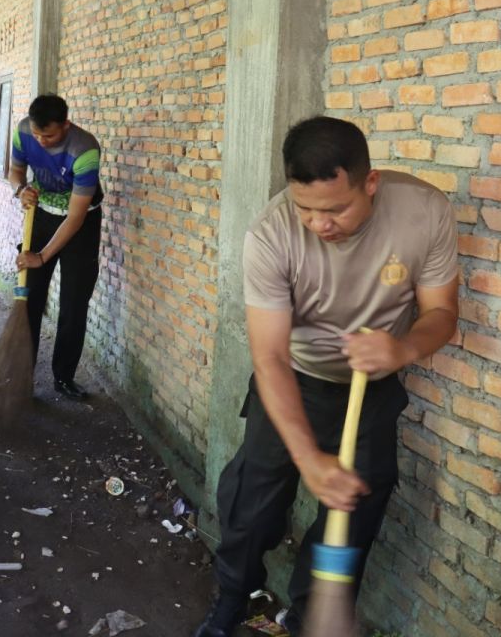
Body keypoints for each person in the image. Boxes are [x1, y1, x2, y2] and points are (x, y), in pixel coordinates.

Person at [193, 117, 459, 637]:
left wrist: (402, 348)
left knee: (353, 513)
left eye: (335, 208)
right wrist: (309, 459)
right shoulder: (270, 234)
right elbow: (268, 357)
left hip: (372, 390)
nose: (318, 224)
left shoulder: (424, 212)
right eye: (305, 209)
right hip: (293, 381)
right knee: (252, 507)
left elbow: (443, 314)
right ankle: (231, 600)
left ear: (371, 183)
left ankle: (312, 618)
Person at [9, 94, 103, 402]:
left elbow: (75, 217)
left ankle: (64, 377)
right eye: (37, 134)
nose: (41, 140)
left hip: (82, 224)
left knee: (74, 303)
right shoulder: (24, 131)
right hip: (42, 216)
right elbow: (16, 172)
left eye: (48, 135)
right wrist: (21, 189)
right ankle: (22, 376)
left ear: (65, 124)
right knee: (29, 296)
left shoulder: (85, 149)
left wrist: (42, 256)